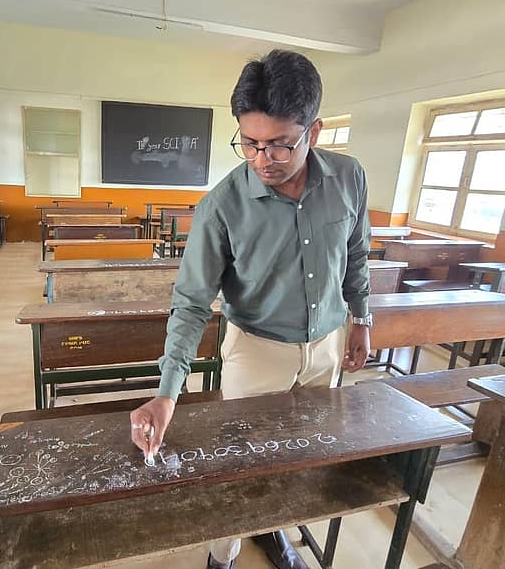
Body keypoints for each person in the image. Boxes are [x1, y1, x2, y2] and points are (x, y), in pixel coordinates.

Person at [129, 50, 372, 569]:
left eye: (280, 144)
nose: (263, 159)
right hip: (257, 349)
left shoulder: (349, 177)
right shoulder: (221, 206)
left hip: (327, 344)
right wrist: (167, 393)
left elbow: (355, 253)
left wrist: (361, 318)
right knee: (240, 463)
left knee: (300, 453)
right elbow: (191, 303)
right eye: (250, 143)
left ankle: (274, 529)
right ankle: (223, 554)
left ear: (314, 131)